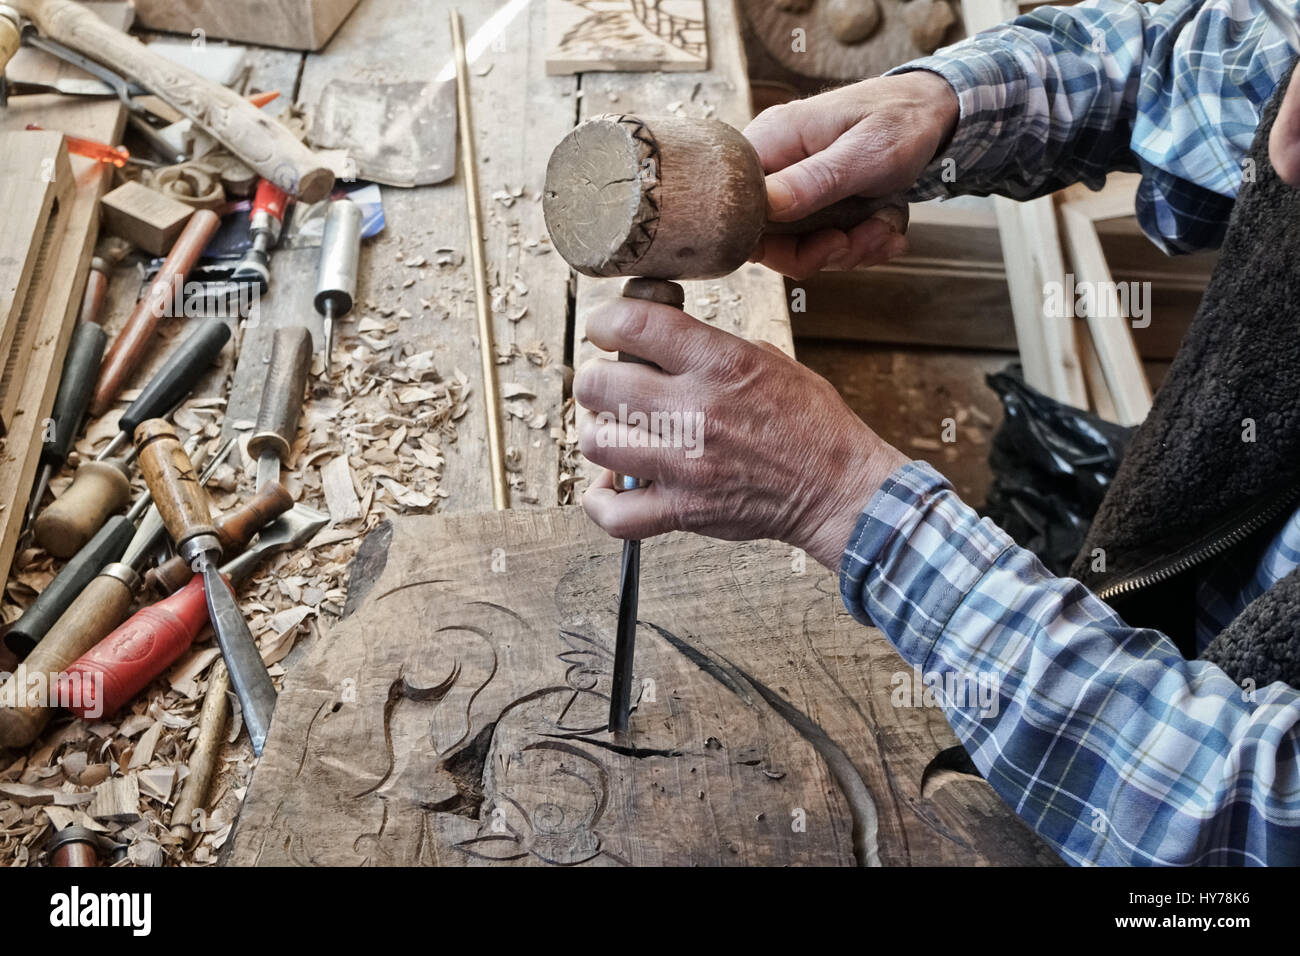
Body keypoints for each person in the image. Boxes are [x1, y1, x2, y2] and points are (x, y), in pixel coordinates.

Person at [573, 0, 1300, 865]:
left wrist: (837, 499)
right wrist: (945, 106)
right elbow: (1187, 61)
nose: (1286, 149)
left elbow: (1246, 815)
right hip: (1189, 601)